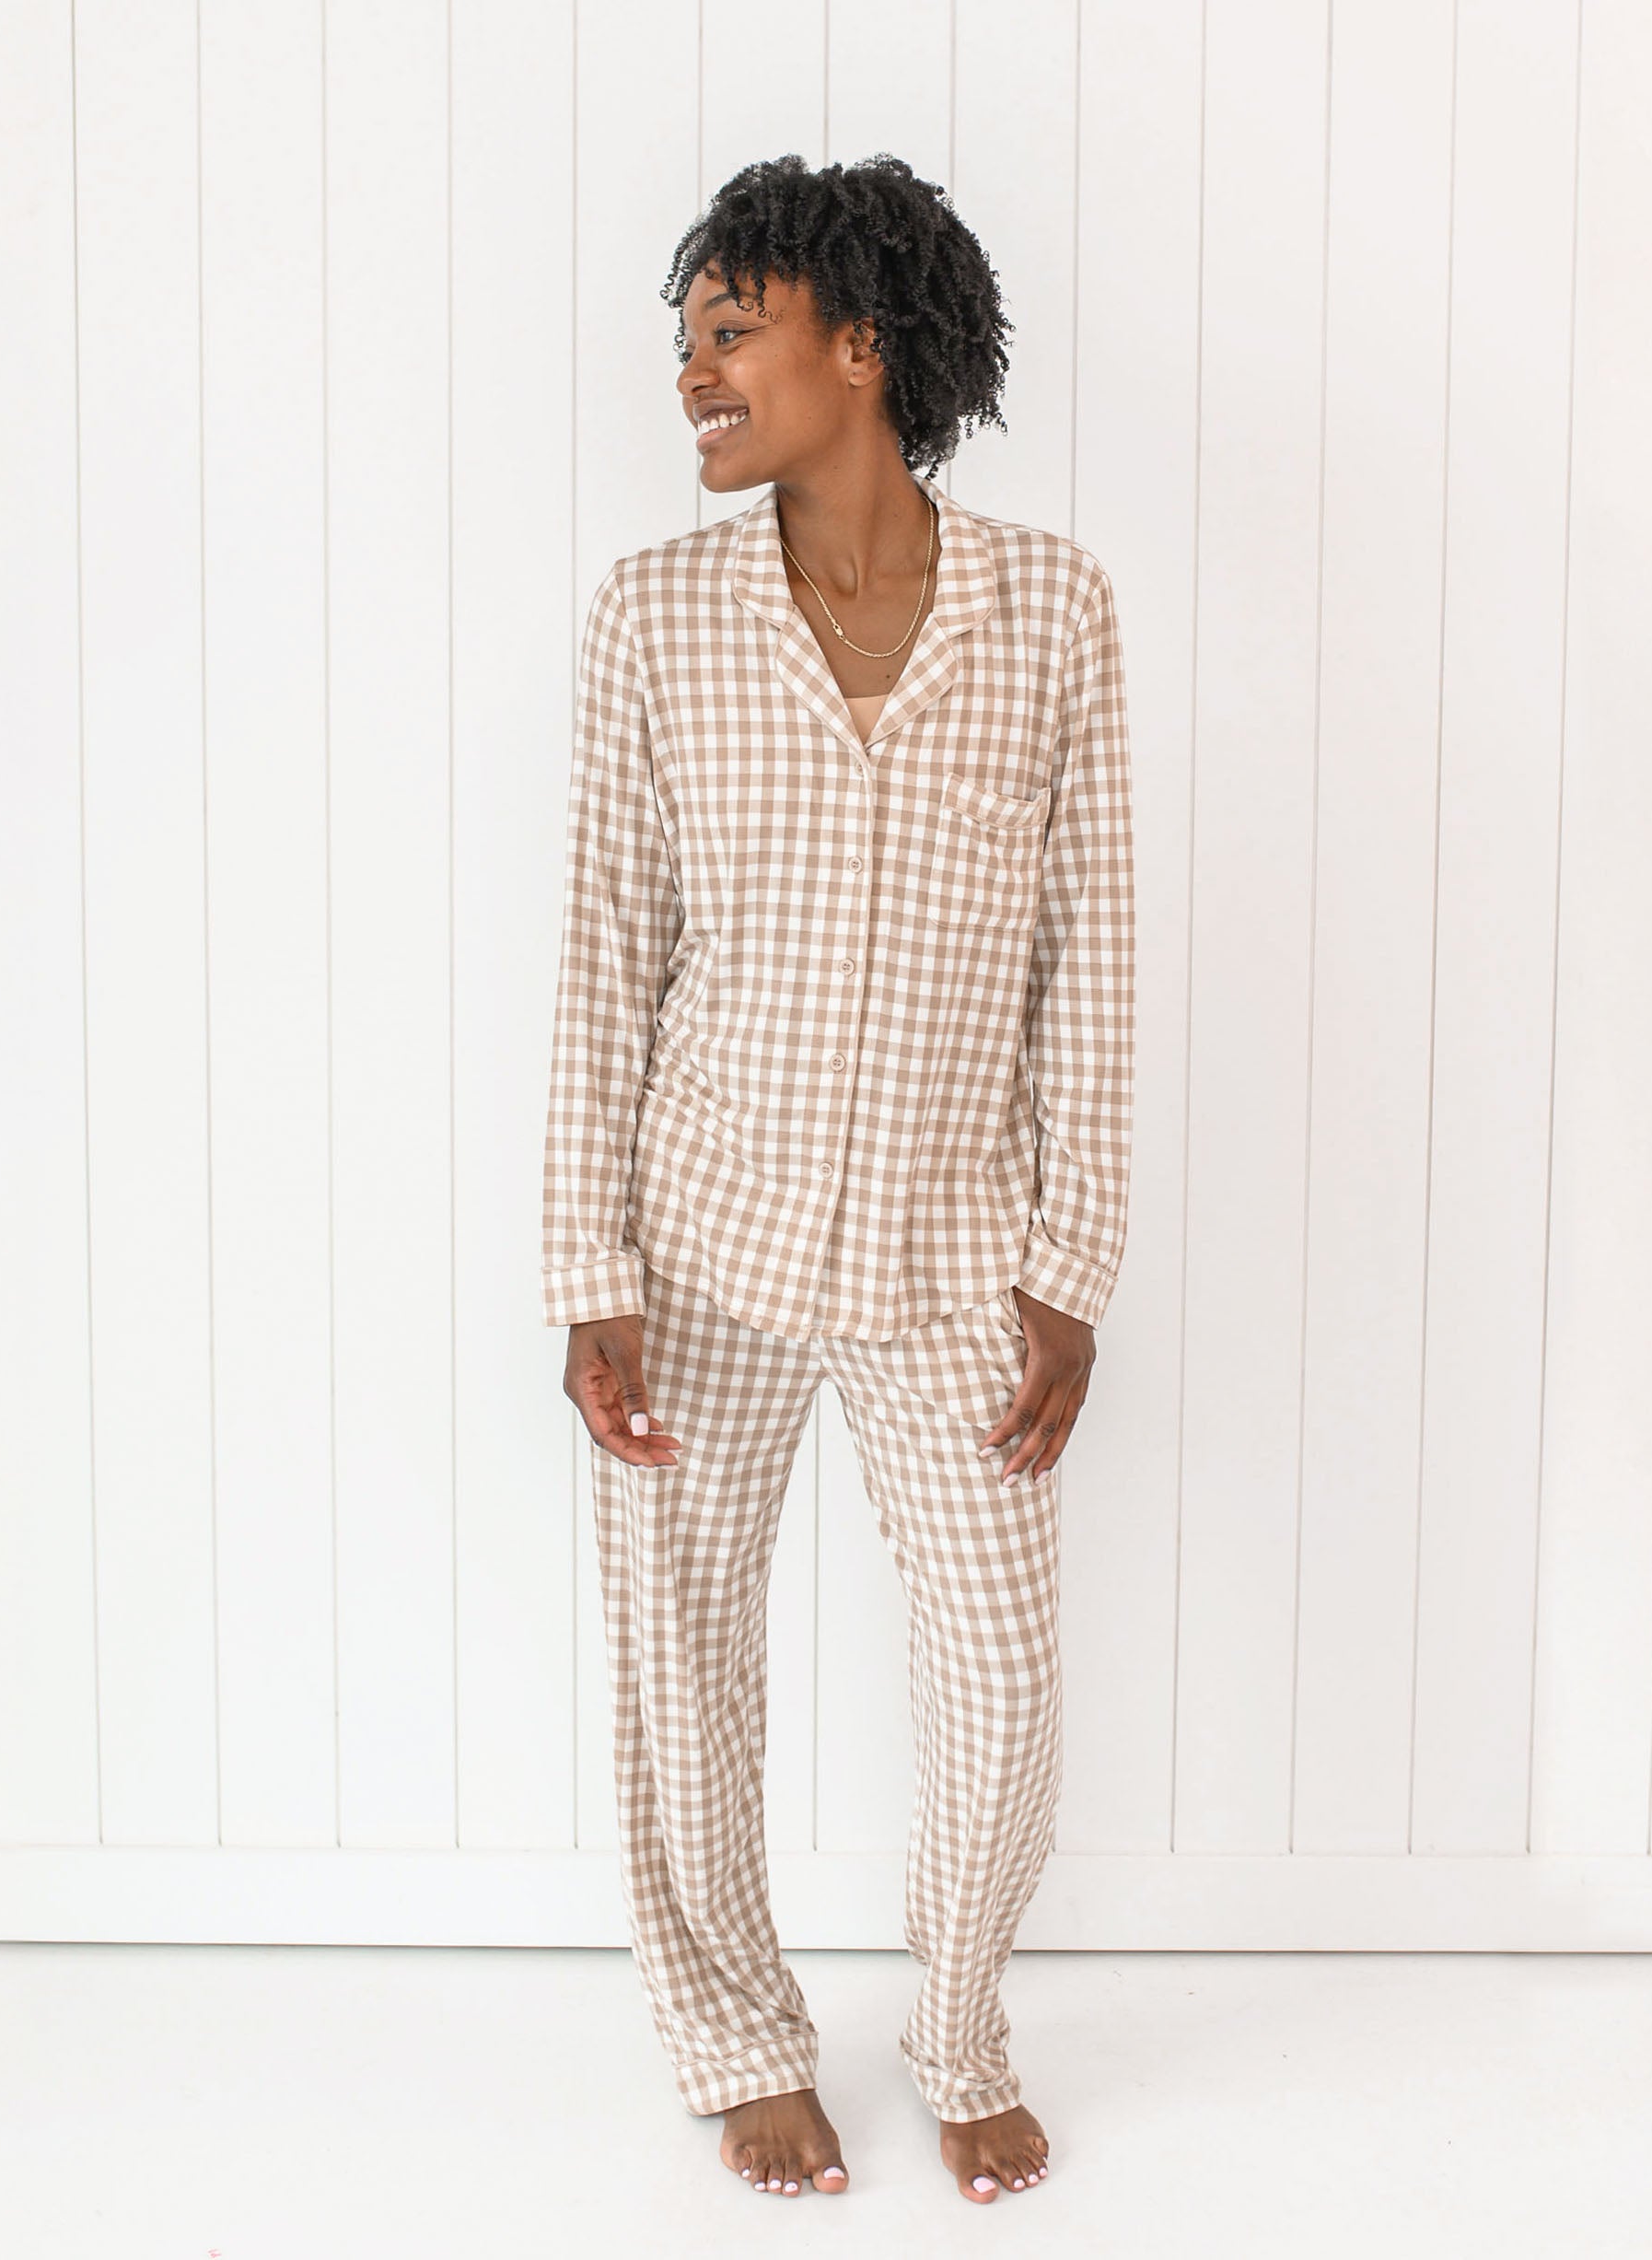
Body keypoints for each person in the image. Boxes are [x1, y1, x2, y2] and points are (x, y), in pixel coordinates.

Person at [541, 152, 1134, 2207]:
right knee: (683, 1659)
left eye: (733, 329)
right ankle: (731, 2032)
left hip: (962, 1251)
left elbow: (1099, 948)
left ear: (859, 347)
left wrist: (1077, 1260)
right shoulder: (658, 615)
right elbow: (608, 952)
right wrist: (585, 1268)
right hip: (701, 1239)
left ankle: (959, 2021)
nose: (693, 371)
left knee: (1002, 1688)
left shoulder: (1052, 609)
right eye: (682, 339)